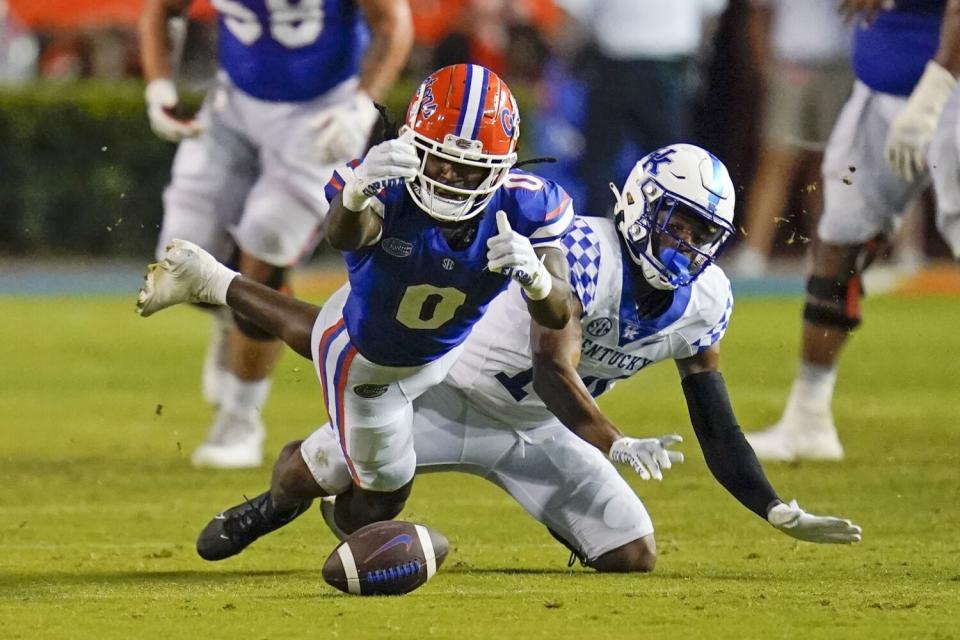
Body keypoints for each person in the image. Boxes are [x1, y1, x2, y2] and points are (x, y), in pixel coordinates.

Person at [143, 144, 861, 572]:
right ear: (643, 205)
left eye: (704, 232)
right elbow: (554, 367)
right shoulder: (580, 247)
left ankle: (537, 517)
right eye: (679, 223)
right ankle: (272, 506)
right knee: (318, 473)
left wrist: (773, 508)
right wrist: (611, 438)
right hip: (440, 390)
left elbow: (716, 421)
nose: (687, 245)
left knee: (633, 554)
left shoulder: (707, 301)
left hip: (540, 433)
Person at [137, 63, 576, 553]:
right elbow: (347, 233)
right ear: (412, 147)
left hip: (430, 343)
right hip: (375, 367)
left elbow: (559, 314)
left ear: (502, 166)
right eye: (439, 161)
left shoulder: (529, 206)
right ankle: (281, 504)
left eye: (468, 167)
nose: (451, 176)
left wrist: (539, 281)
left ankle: (212, 279)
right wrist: (354, 193)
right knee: (382, 498)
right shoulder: (383, 179)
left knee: (332, 343)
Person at [138, 0, 414, 469]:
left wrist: (361, 104)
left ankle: (240, 416)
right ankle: (233, 314)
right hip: (233, 105)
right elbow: (162, 10)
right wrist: (159, 85)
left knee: (265, 246)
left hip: (320, 112)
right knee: (182, 254)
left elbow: (392, 22)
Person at [746, 0, 960, 461]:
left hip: (950, 91)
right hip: (878, 89)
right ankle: (808, 418)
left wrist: (932, 95)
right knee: (838, 240)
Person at [556, 0, 728, 216]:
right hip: (648, 66)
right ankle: (661, 234)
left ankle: (599, 234)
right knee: (669, 166)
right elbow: (710, 14)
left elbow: (576, 16)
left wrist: (562, 61)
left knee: (664, 165)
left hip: (622, 65)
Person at [727, 0, 853, 277]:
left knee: (830, 166)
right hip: (789, 63)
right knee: (777, 159)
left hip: (839, 67)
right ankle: (754, 251)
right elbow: (758, 13)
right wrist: (767, 68)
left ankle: (827, 250)